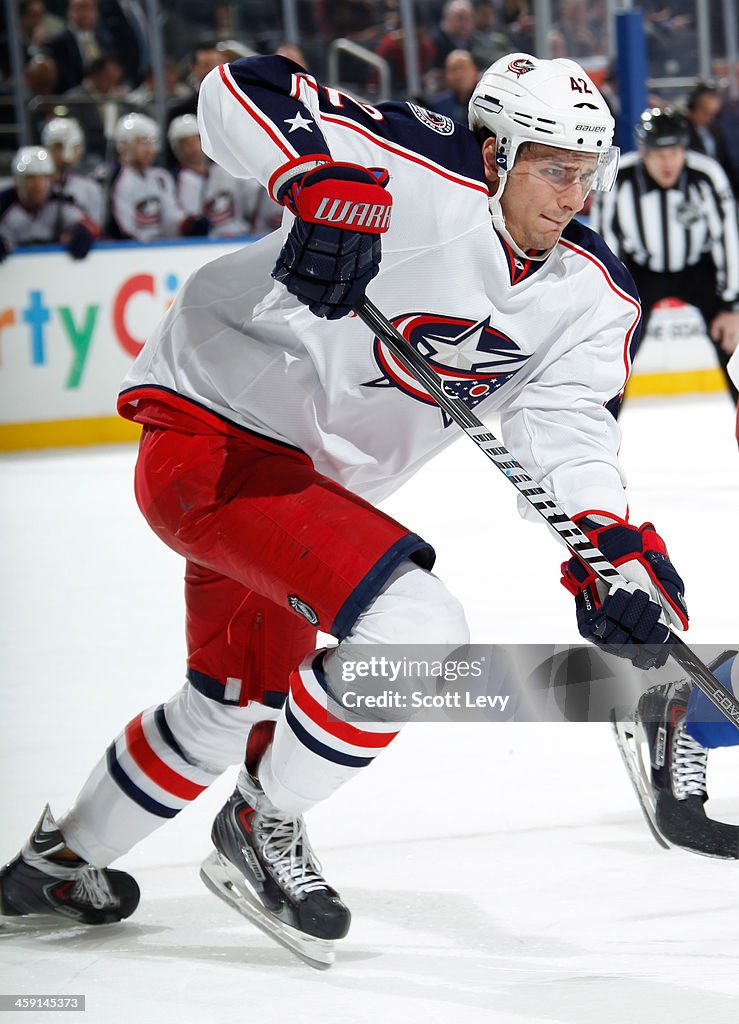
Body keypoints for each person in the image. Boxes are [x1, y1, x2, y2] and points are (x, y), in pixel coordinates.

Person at [0, 53, 690, 968]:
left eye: (586, 172)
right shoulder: (412, 162)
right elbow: (239, 87)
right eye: (552, 168)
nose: (573, 195)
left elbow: (567, 431)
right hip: (212, 440)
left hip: (303, 497)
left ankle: (57, 865)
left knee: (230, 703)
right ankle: (264, 820)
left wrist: (615, 557)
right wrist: (316, 177)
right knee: (418, 629)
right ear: (494, 156)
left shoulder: (589, 292)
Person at [590, 107, 739, 409]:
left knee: (735, 354)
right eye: (659, 153)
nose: (668, 162)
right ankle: (599, 443)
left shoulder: (706, 175)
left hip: (700, 271)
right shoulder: (620, 179)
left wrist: (731, 305)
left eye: (674, 151)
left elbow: (728, 237)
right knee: (613, 365)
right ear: (644, 152)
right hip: (640, 273)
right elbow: (604, 244)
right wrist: (608, 308)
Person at [168, 113, 281, 237]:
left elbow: (255, 199)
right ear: (176, 147)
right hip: (202, 244)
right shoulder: (173, 179)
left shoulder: (226, 169)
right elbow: (175, 221)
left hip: (240, 237)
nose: (194, 147)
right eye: (186, 143)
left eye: (197, 139)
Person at [108, 112, 208, 241]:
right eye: (142, 142)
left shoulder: (161, 178)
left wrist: (188, 225)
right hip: (129, 253)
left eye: (152, 142)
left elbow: (171, 219)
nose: (149, 149)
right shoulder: (114, 178)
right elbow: (122, 230)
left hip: (158, 250)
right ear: (124, 145)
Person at [0, 145, 98, 261]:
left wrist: (81, 232)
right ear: (18, 180)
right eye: (31, 178)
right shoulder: (4, 204)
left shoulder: (60, 202)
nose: (39, 185)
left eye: (44, 178)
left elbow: (91, 225)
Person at [41, 116, 105, 225]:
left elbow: (96, 228)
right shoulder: (37, 186)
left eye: (72, 147)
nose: (65, 154)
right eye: (58, 147)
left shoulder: (90, 188)